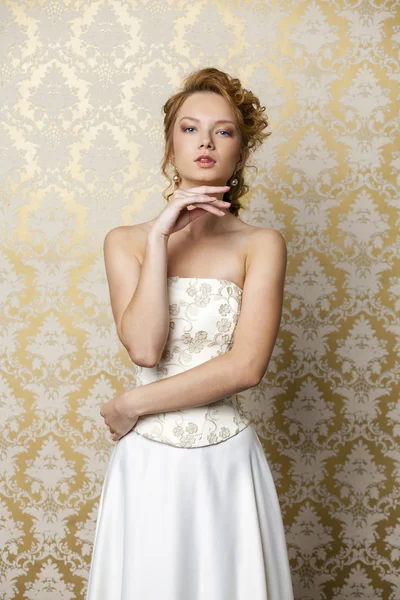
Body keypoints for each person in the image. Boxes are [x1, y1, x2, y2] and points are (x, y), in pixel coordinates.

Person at [86, 67, 294, 600]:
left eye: (223, 131)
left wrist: (130, 402)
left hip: (225, 461)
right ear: (169, 145)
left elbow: (246, 368)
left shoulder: (261, 244)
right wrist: (159, 237)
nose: (205, 141)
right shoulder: (126, 241)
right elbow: (145, 347)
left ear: (241, 155)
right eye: (189, 128)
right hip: (147, 464)